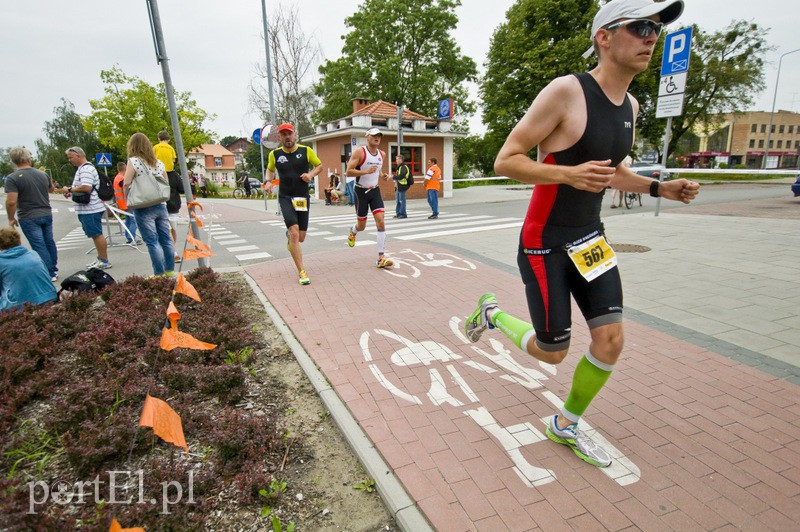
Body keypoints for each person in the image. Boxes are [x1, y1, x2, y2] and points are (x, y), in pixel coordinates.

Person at [465, 0, 699, 468]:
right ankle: (491, 315)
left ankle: (564, 424)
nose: (651, 37)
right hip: (544, 240)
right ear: (604, 36)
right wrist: (567, 175)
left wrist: (660, 188)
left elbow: (613, 172)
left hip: (590, 239)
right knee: (553, 352)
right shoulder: (566, 92)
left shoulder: (631, 105)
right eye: (639, 27)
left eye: (655, 29)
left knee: (610, 339)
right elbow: (506, 160)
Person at [266, 123, 323, 285]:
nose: (287, 137)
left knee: (301, 237)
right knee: (295, 233)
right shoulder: (275, 154)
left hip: (302, 198)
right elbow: (270, 169)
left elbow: (319, 166)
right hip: (286, 197)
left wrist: (310, 174)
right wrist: (268, 181)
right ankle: (302, 272)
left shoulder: (306, 151)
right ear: (279, 137)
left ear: (295, 134)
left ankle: (290, 238)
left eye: (289, 134)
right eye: (283, 134)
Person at [122, 132, 175, 277]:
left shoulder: (133, 161)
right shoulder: (158, 163)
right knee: (166, 239)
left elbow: (126, 182)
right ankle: (170, 271)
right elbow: (166, 183)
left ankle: (158, 273)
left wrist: (127, 197)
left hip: (143, 205)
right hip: (160, 204)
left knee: (152, 242)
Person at [4, 146, 59, 281]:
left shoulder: (12, 178)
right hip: (46, 212)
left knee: (38, 244)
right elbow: (51, 189)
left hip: (28, 216)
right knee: (49, 241)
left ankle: (49, 272)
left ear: (13, 160)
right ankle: (53, 268)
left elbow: (11, 202)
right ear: (29, 158)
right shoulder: (42, 174)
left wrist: (11, 218)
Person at [345, 128, 394, 269]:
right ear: (367, 137)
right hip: (361, 192)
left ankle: (381, 257)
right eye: (374, 135)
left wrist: (383, 176)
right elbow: (348, 171)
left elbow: (378, 170)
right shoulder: (360, 152)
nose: (377, 138)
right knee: (362, 226)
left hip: (375, 191)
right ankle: (353, 231)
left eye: (379, 136)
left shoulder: (382, 154)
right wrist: (365, 171)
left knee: (381, 222)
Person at [61, 146, 112, 269]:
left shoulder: (86, 169)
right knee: (95, 234)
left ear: (79, 155)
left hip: (91, 208)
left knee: (96, 234)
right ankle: (101, 259)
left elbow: (86, 187)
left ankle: (104, 261)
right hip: (88, 208)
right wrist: (72, 191)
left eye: (71, 157)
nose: (69, 160)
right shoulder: (83, 169)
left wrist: (70, 189)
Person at [0, 227, 57, 313]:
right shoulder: (33, 254)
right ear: (19, 241)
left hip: (20, 305)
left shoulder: (1, 261)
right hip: (49, 296)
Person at [112, 161, 139, 244]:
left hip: (121, 203)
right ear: (125, 169)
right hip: (127, 202)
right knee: (133, 221)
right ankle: (131, 238)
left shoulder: (117, 178)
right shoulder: (122, 179)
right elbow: (127, 189)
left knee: (128, 221)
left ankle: (128, 237)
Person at [392, 154, 411, 218]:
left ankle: (403, 214)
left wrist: (393, 177)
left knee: (402, 201)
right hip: (398, 186)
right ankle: (398, 213)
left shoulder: (404, 167)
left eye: (397, 159)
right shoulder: (399, 167)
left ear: (401, 160)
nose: (396, 160)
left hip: (403, 186)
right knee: (398, 201)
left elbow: (401, 176)